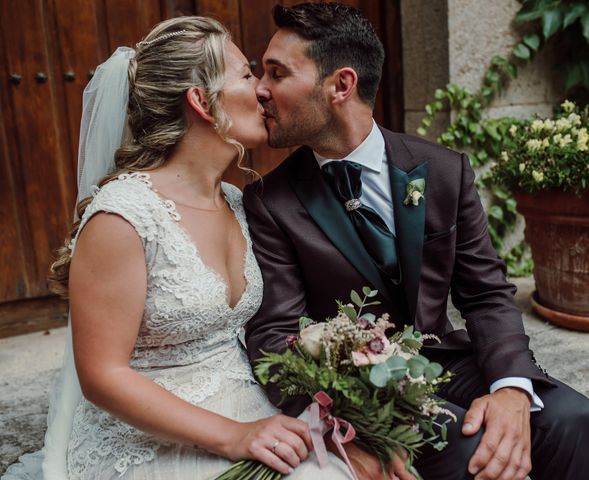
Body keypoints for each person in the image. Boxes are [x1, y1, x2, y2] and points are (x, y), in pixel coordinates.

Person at [243, 3, 589, 480]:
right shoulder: (271, 202)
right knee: (457, 435)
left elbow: (486, 295)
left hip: (443, 361)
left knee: (572, 417)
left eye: (277, 73)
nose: (260, 89)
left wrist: (512, 388)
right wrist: (351, 415)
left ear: (340, 85)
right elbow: (274, 335)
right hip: (357, 390)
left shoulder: (442, 170)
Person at [2, 16, 353, 480]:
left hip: (251, 407)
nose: (263, 91)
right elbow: (101, 375)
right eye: (247, 75)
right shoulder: (124, 217)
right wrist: (234, 435)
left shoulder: (238, 202)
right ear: (201, 102)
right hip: (149, 439)